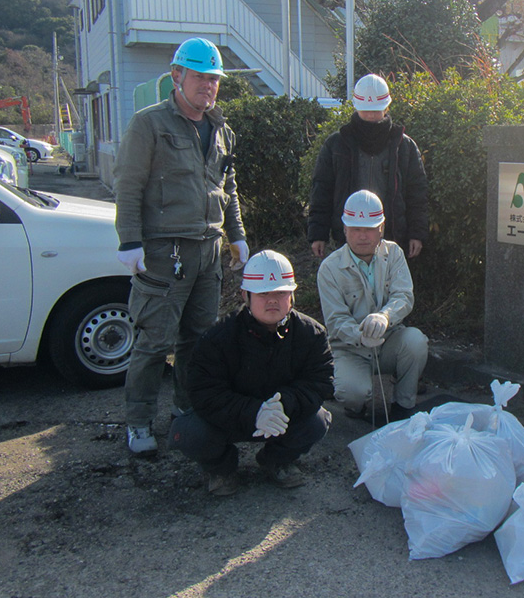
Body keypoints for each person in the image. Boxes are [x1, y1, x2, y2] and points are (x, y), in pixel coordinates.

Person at [114, 37, 249, 456]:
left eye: (214, 80)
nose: (208, 87)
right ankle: (138, 422)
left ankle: (186, 408)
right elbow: (129, 184)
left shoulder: (221, 129)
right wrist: (129, 241)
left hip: (208, 252)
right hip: (163, 253)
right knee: (154, 341)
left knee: (198, 340)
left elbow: (229, 188)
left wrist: (238, 236)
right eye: (200, 78)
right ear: (177, 76)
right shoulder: (149, 124)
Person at [169, 250, 333, 496]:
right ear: (245, 295)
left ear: (292, 295)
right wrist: (253, 412)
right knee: (191, 432)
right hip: (231, 419)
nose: (272, 300)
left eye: (280, 292)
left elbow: (320, 383)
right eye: (263, 293)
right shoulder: (217, 338)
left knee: (317, 420)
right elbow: (203, 393)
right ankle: (222, 468)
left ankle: (276, 460)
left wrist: (284, 404)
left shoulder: (312, 334)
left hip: (282, 417)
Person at [316, 189, 428, 423]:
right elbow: (335, 321)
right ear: (345, 229)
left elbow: (404, 296)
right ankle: (356, 405)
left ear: (381, 228)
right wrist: (360, 335)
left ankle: (403, 405)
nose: (363, 236)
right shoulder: (329, 269)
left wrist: (385, 317)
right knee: (351, 392)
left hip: (389, 341)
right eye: (356, 229)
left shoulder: (394, 253)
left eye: (369, 229)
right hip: (350, 348)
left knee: (416, 342)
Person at [307, 73, 428, 260]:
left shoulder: (404, 146)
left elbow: (417, 194)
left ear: (387, 107)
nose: (371, 115)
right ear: (356, 107)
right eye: (366, 110)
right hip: (347, 239)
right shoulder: (336, 145)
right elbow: (321, 190)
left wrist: (417, 234)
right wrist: (318, 234)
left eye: (376, 110)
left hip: (392, 240)